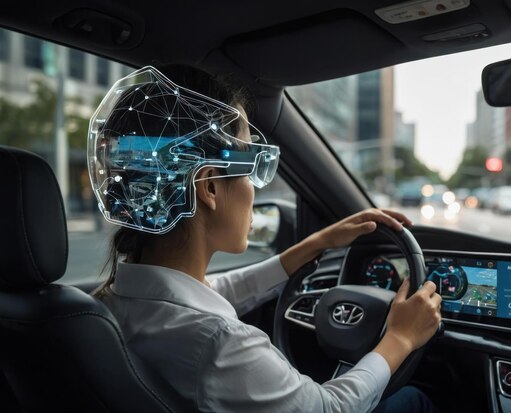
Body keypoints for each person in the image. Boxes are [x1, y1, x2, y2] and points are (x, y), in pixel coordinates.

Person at [88, 65, 442, 413]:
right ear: (209, 186)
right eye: (251, 167)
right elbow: (329, 407)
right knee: (416, 400)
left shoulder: (108, 303)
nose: (254, 190)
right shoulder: (220, 343)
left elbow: (217, 291)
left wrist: (316, 243)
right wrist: (400, 338)